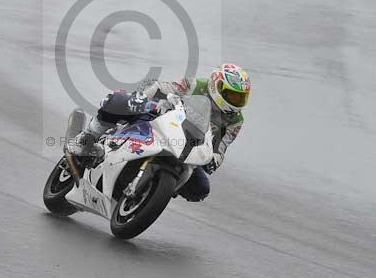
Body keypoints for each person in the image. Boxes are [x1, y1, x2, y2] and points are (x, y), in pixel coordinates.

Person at [67, 63, 251, 202]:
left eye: (241, 97)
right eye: (233, 95)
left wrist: (214, 161)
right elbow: (162, 87)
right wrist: (142, 97)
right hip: (162, 120)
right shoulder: (196, 85)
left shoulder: (235, 121)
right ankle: (87, 137)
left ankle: (154, 190)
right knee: (119, 101)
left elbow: (221, 148)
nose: (237, 101)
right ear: (216, 87)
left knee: (200, 189)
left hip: (189, 147)